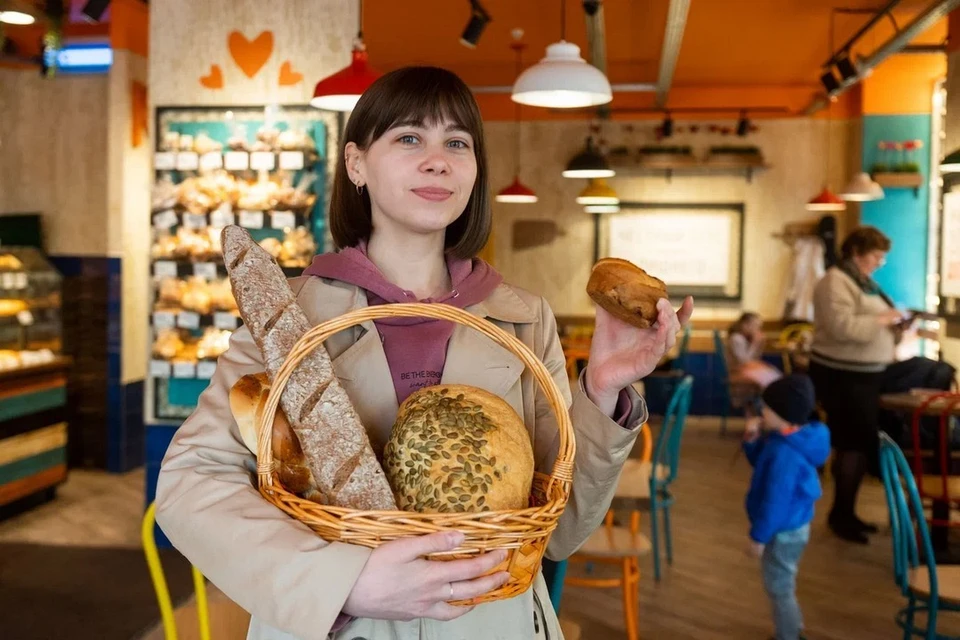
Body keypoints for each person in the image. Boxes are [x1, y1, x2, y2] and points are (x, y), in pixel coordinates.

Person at [154, 66, 694, 640]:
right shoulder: (288, 318)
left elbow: (559, 531)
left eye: (457, 143)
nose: (437, 160)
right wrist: (342, 581)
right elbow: (191, 482)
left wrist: (602, 391)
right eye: (409, 138)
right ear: (357, 163)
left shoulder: (522, 317)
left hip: (492, 623)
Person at [808, 226, 903, 544]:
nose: (879, 263)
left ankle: (846, 512)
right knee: (852, 443)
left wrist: (897, 322)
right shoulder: (834, 281)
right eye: (876, 256)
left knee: (859, 444)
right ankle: (840, 515)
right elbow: (840, 328)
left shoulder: (862, 282)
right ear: (857, 252)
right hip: (842, 376)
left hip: (863, 373)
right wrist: (883, 320)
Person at [743, 374, 830, 640]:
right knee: (783, 582)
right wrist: (751, 439)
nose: (762, 412)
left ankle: (788, 635)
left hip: (783, 530)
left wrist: (759, 537)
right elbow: (762, 461)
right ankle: (792, 628)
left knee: (779, 586)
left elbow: (775, 500)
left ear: (783, 413)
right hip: (793, 525)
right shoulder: (789, 438)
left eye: (766, 408)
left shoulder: (785, 453)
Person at [727, 312, 783, 389]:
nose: (757, 329)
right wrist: (754, 343)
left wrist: (760, 345)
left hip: (744, 368)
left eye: (759, 327)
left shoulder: (744, 338)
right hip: (737, 370)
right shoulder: (736, 338)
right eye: (755, 326)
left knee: (774, 372)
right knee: (773, 376)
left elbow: (755, 359)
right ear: (745, 325)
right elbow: (745, 362)